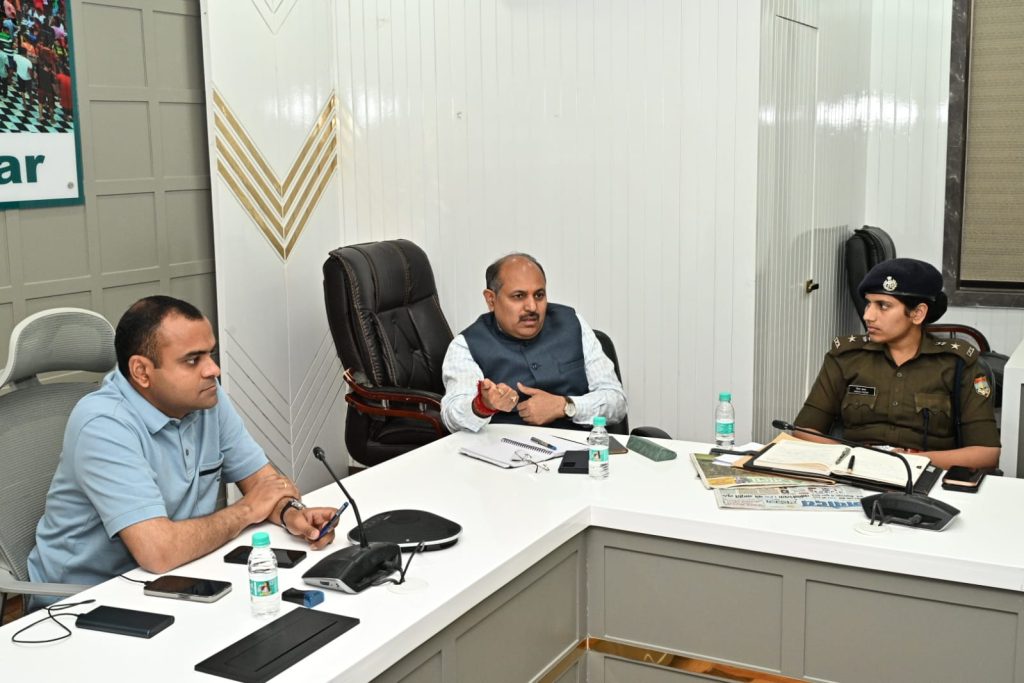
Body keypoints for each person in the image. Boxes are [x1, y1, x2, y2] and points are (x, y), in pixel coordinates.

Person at [28, 296, 337, 606]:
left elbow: (266, 485)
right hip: (82, 602)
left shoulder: (206, 399)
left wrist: (291, 513)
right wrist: (246, 510)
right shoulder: (104, 424)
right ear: (141, 371)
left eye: (210, 354)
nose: (213, 369)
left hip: (176, 577)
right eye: (193, 360)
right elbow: (159, 552)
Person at [793, 258, 1000, 470]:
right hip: (854, 471)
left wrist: (909, 462)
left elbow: (986, 454)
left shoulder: (956, 363)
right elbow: (803, 430)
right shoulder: (846, 357)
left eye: (883, 306)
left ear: (917, 313)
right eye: (868, 303)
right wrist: (855, 458)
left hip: (927, 475)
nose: (868, 316)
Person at [441, 253, 627, 432]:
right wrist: (483, 405)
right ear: (491, 300)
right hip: (505, 449)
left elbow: (616, 402)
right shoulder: (466, 345)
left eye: (539, 295)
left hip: (581, 448)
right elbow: (452, 417)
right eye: (518, 296)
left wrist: (565, 406)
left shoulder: (572, 323)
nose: (532, 307)